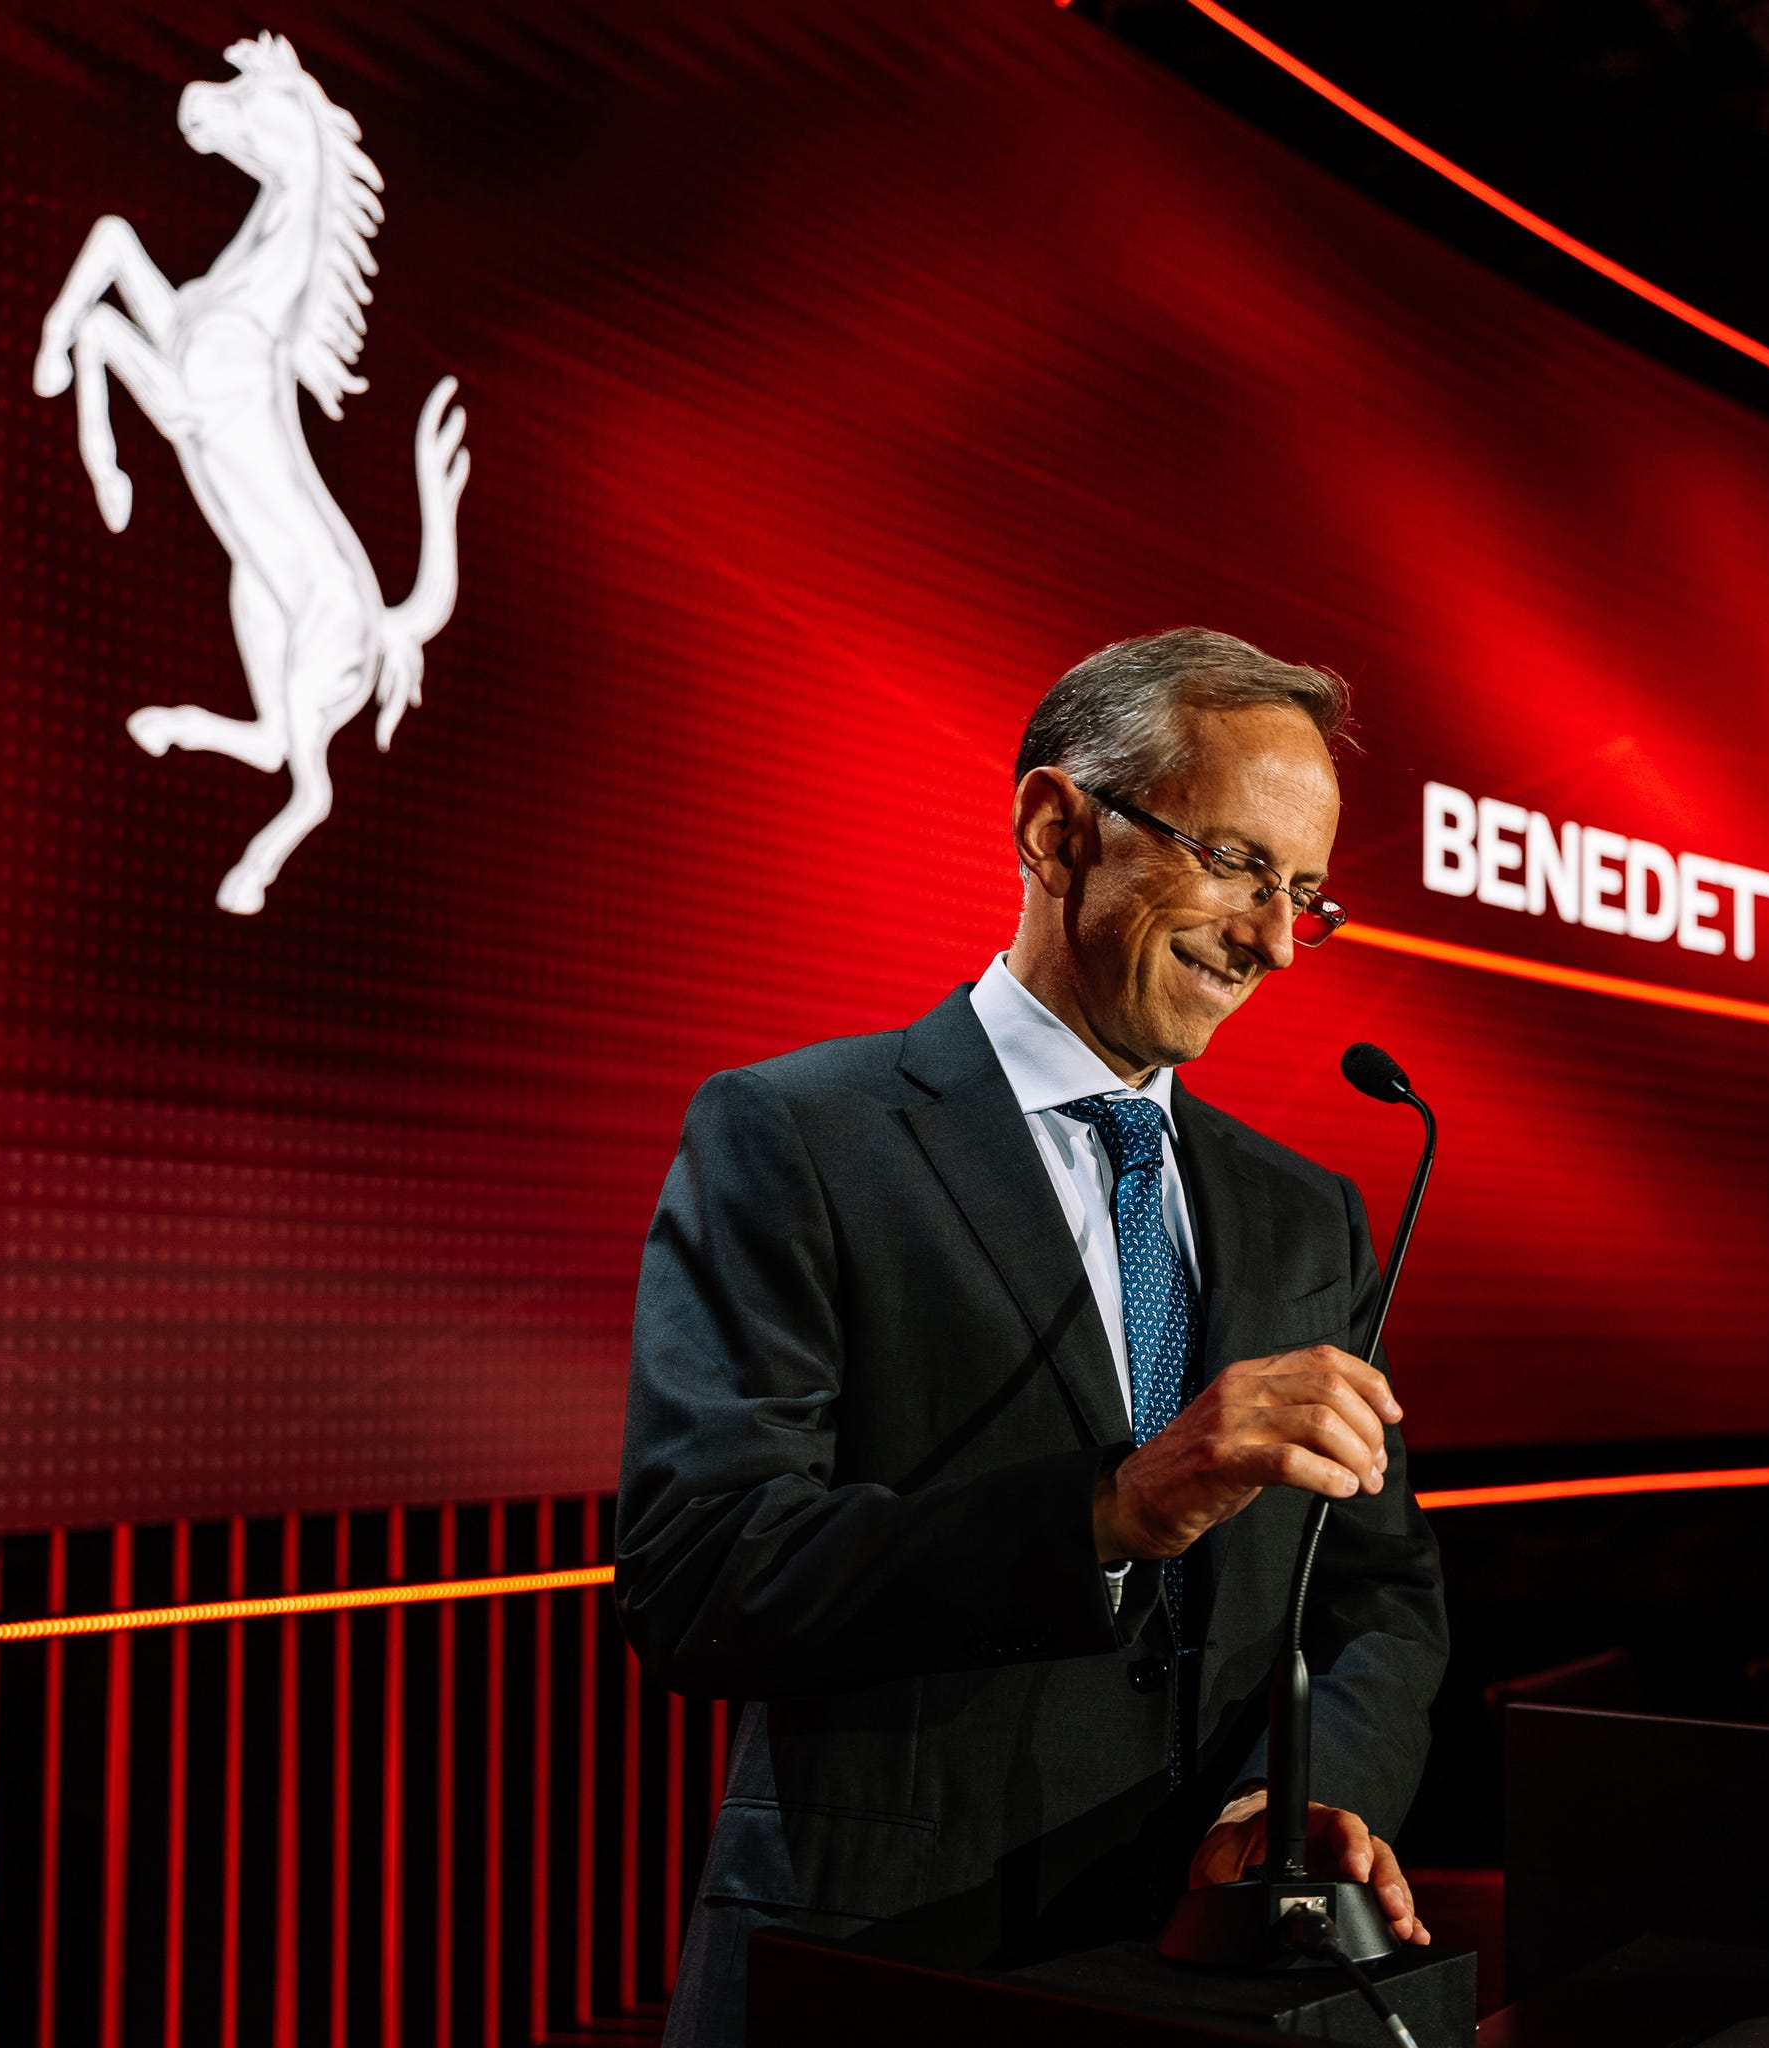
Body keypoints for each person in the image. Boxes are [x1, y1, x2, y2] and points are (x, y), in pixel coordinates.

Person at [618, 628, 1450, 2042]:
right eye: (1237, 864)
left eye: (1303, 895)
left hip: (1206, 1981)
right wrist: (1113, 1509)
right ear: (1057, 830)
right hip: (886, 1972)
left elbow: (1381, 1595)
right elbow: (703, 1574)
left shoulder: (1309, 1214)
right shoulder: (795, 1136)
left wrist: (1297, 1794)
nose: (1270, 941)